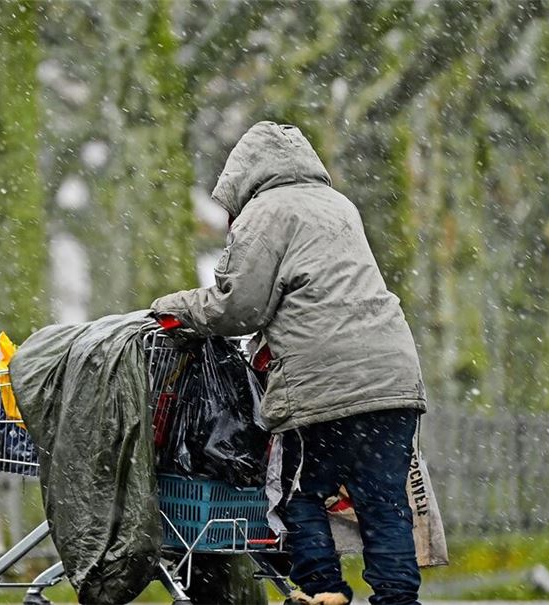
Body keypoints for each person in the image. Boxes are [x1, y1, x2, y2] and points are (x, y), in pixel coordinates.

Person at [151, 121, 427, 605]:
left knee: (297, 493)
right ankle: (397, 599)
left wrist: (174, 308)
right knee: (383, 502)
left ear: (242, 177)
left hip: (323, 380)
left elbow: (239, 308)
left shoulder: (265, 212)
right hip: (393, 376)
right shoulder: (339, 205)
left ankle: (324, 593)